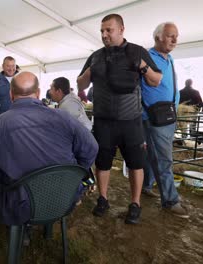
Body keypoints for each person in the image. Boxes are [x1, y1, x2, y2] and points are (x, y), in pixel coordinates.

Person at [0, 71, 98, 226]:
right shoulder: (63, 117)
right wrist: (74, 173)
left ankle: (24, 232)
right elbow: (92, 148)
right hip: (63, 199)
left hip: (20, 206)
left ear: (11, 94)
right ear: (38, 93)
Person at [76, 14, 162, 224]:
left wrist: (142, 65)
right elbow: (80, 85)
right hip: (104, 120)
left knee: (136, 163)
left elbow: (156, 81)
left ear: (121, 29)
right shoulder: (96, 56)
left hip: (130, 120)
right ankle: (103, 199)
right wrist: (89, 71)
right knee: (102, 163)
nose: (104, 34)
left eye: (109, 30)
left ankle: (135, 204)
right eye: (102, 31)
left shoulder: (137, 51)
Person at [141, 22, 188, 218]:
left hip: (169, 116)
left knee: (156, 156)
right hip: (154, 118)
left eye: (176, 36)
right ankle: (170, 200)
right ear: (158, 37)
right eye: (170, 36)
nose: (175, 39)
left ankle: (147, 185)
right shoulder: (145, 57)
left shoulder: (170, 59)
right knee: (164, 159)